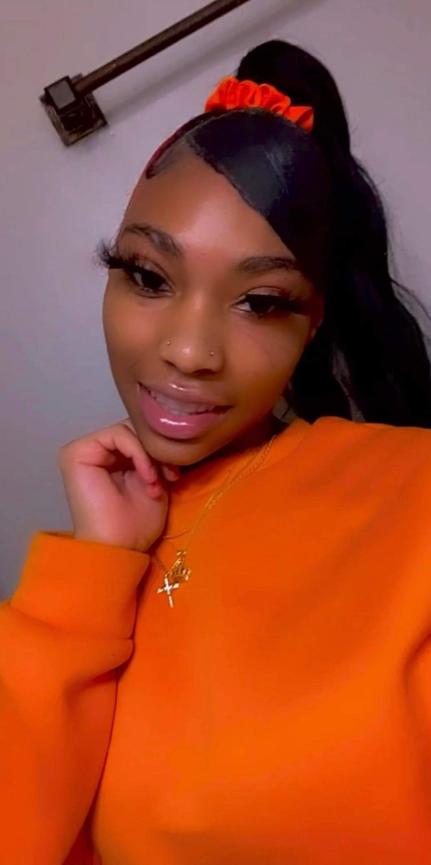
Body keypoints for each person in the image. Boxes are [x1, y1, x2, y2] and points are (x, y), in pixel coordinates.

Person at [2, 37, 431, 865]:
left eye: (260, 301)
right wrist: (91, 574)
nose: (189, 352)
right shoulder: (108, 534)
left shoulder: (412, 496)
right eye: (148, 276)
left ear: (312, 322)